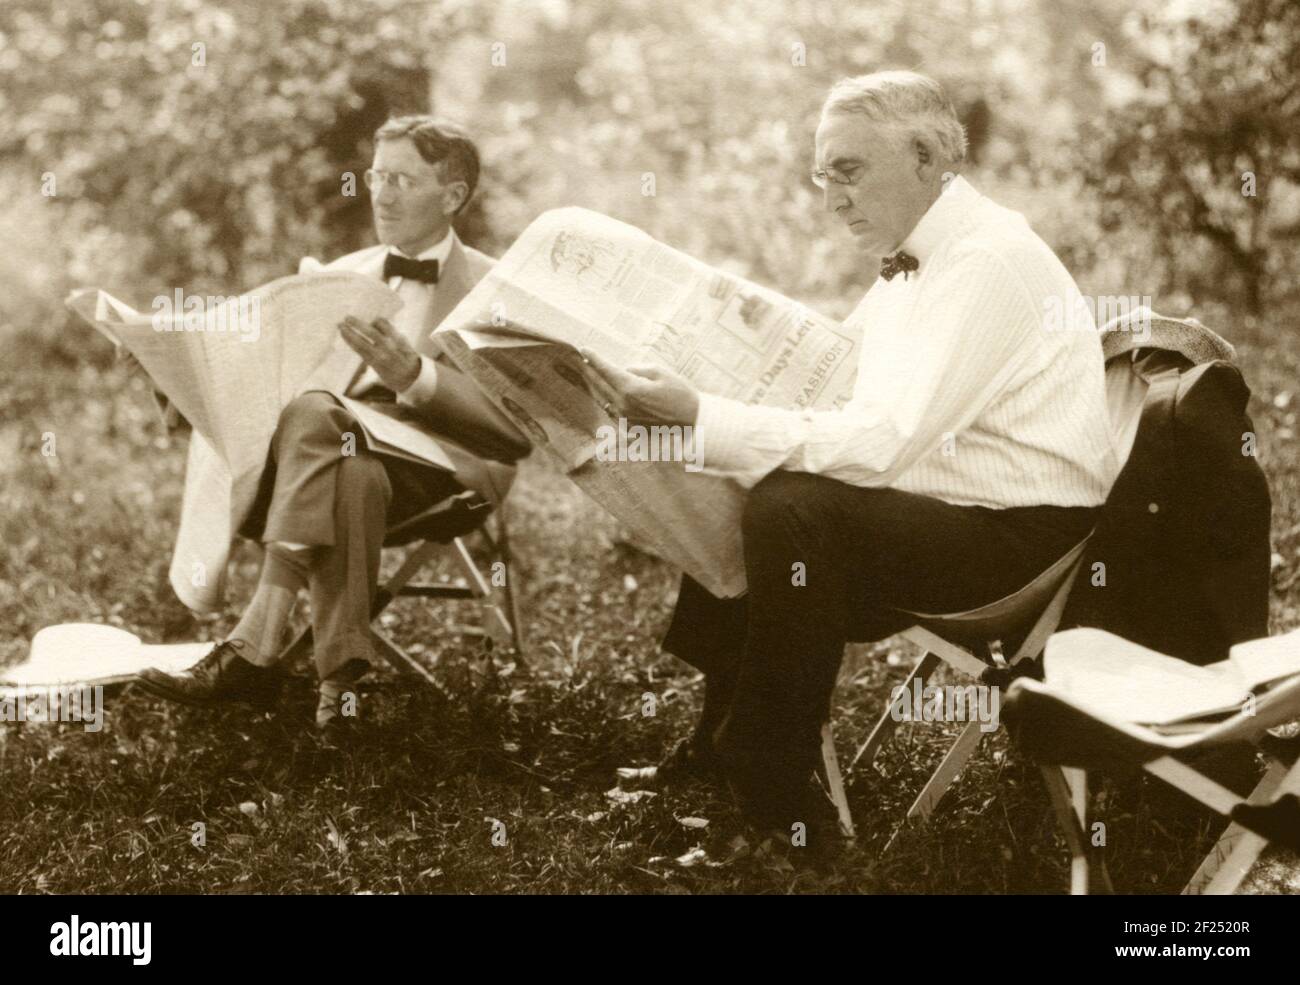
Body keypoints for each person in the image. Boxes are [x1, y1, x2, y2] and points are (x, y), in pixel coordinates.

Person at [584, 71, 1119, 835]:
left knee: (794, 507)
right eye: (821, 175)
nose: (831, 198)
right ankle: (718, 739)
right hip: (948, 504)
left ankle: (777, 805)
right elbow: (837, 391)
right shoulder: (918, 255)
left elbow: (878, 447)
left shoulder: (985, 262)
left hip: (1022, 544)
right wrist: (702, 399)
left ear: (929, 158)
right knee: (762, 475)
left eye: (850, 170)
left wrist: (702, 417)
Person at [136, 116, 529, 735]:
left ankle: (259, 639)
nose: (382, 193)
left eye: (402, 179)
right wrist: (174, 364)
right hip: (325, 459)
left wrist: (415, 378)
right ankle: (341, 682)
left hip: (446, 467)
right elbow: (269, 379)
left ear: (452, 196)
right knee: (349, 464)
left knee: (319, 419)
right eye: (377, 176)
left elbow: (515, 435)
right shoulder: (341, 274)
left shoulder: (499, 290)